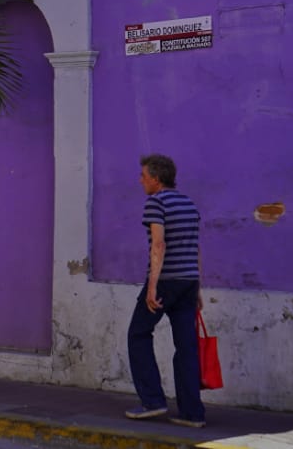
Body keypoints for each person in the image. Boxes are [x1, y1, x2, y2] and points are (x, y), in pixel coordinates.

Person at [124, 154, 206, 429]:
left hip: (166, 282)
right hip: (188, 283)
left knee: (137, 334)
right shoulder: (189, 203)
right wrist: (198, 289)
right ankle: (192, 413)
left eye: (144, 176)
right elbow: (195, 247)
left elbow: (158, 245)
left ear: (156, 179)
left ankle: (152, 401)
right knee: (186, 347)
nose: (140, 180)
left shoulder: (156, 202)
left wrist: (152, 286)